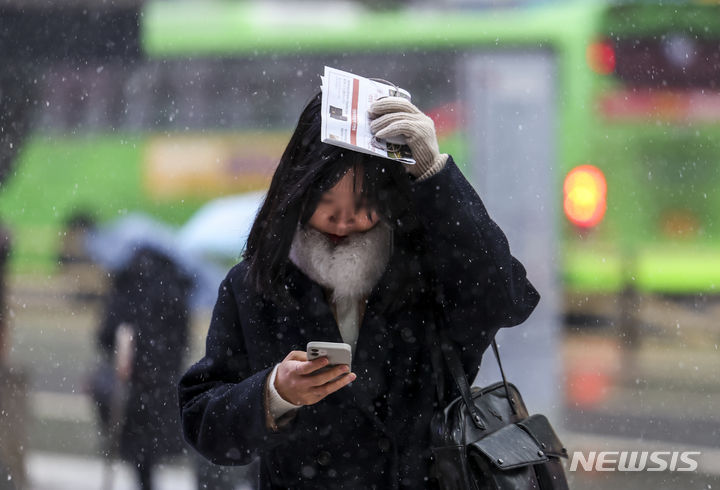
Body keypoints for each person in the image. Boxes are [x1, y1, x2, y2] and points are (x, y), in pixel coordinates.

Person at [178, 90, 540, 489]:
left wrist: (436, 176)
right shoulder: (254, 284)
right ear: (297, 191)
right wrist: (274, 394)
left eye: (364, 202)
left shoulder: (427, 269)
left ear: (390, 198)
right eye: (326, 200)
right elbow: (202, 421)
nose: (343, 220)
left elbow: (505, 299)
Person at [95, 246, 193, 490]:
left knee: (136, 447)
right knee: (152, 447)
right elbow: (182, 341)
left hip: (131, 380)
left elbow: (106, 334)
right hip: (164, 381)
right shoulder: (175, 288)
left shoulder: (127, 285)